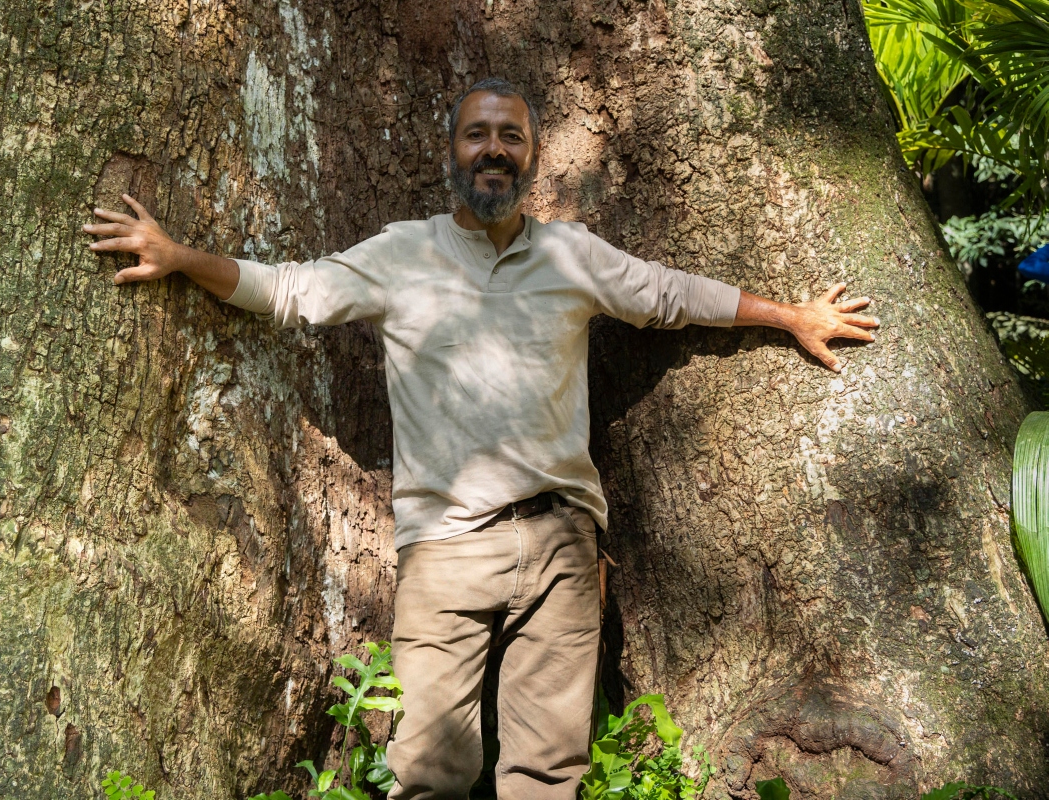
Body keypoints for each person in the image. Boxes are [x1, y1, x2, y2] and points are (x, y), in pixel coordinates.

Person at [83, 77, 878, 800]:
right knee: (431, 772)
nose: (494, 149)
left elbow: (670, 295)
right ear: (452, 153)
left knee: (545, 774)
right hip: (446, 545)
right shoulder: (403, 254)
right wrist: (179, 256)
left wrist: (793, 315)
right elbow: (291, 290)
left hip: (563, 540)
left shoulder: (570, 253)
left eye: (512, 136)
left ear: (531, 158)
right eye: (478, 134)